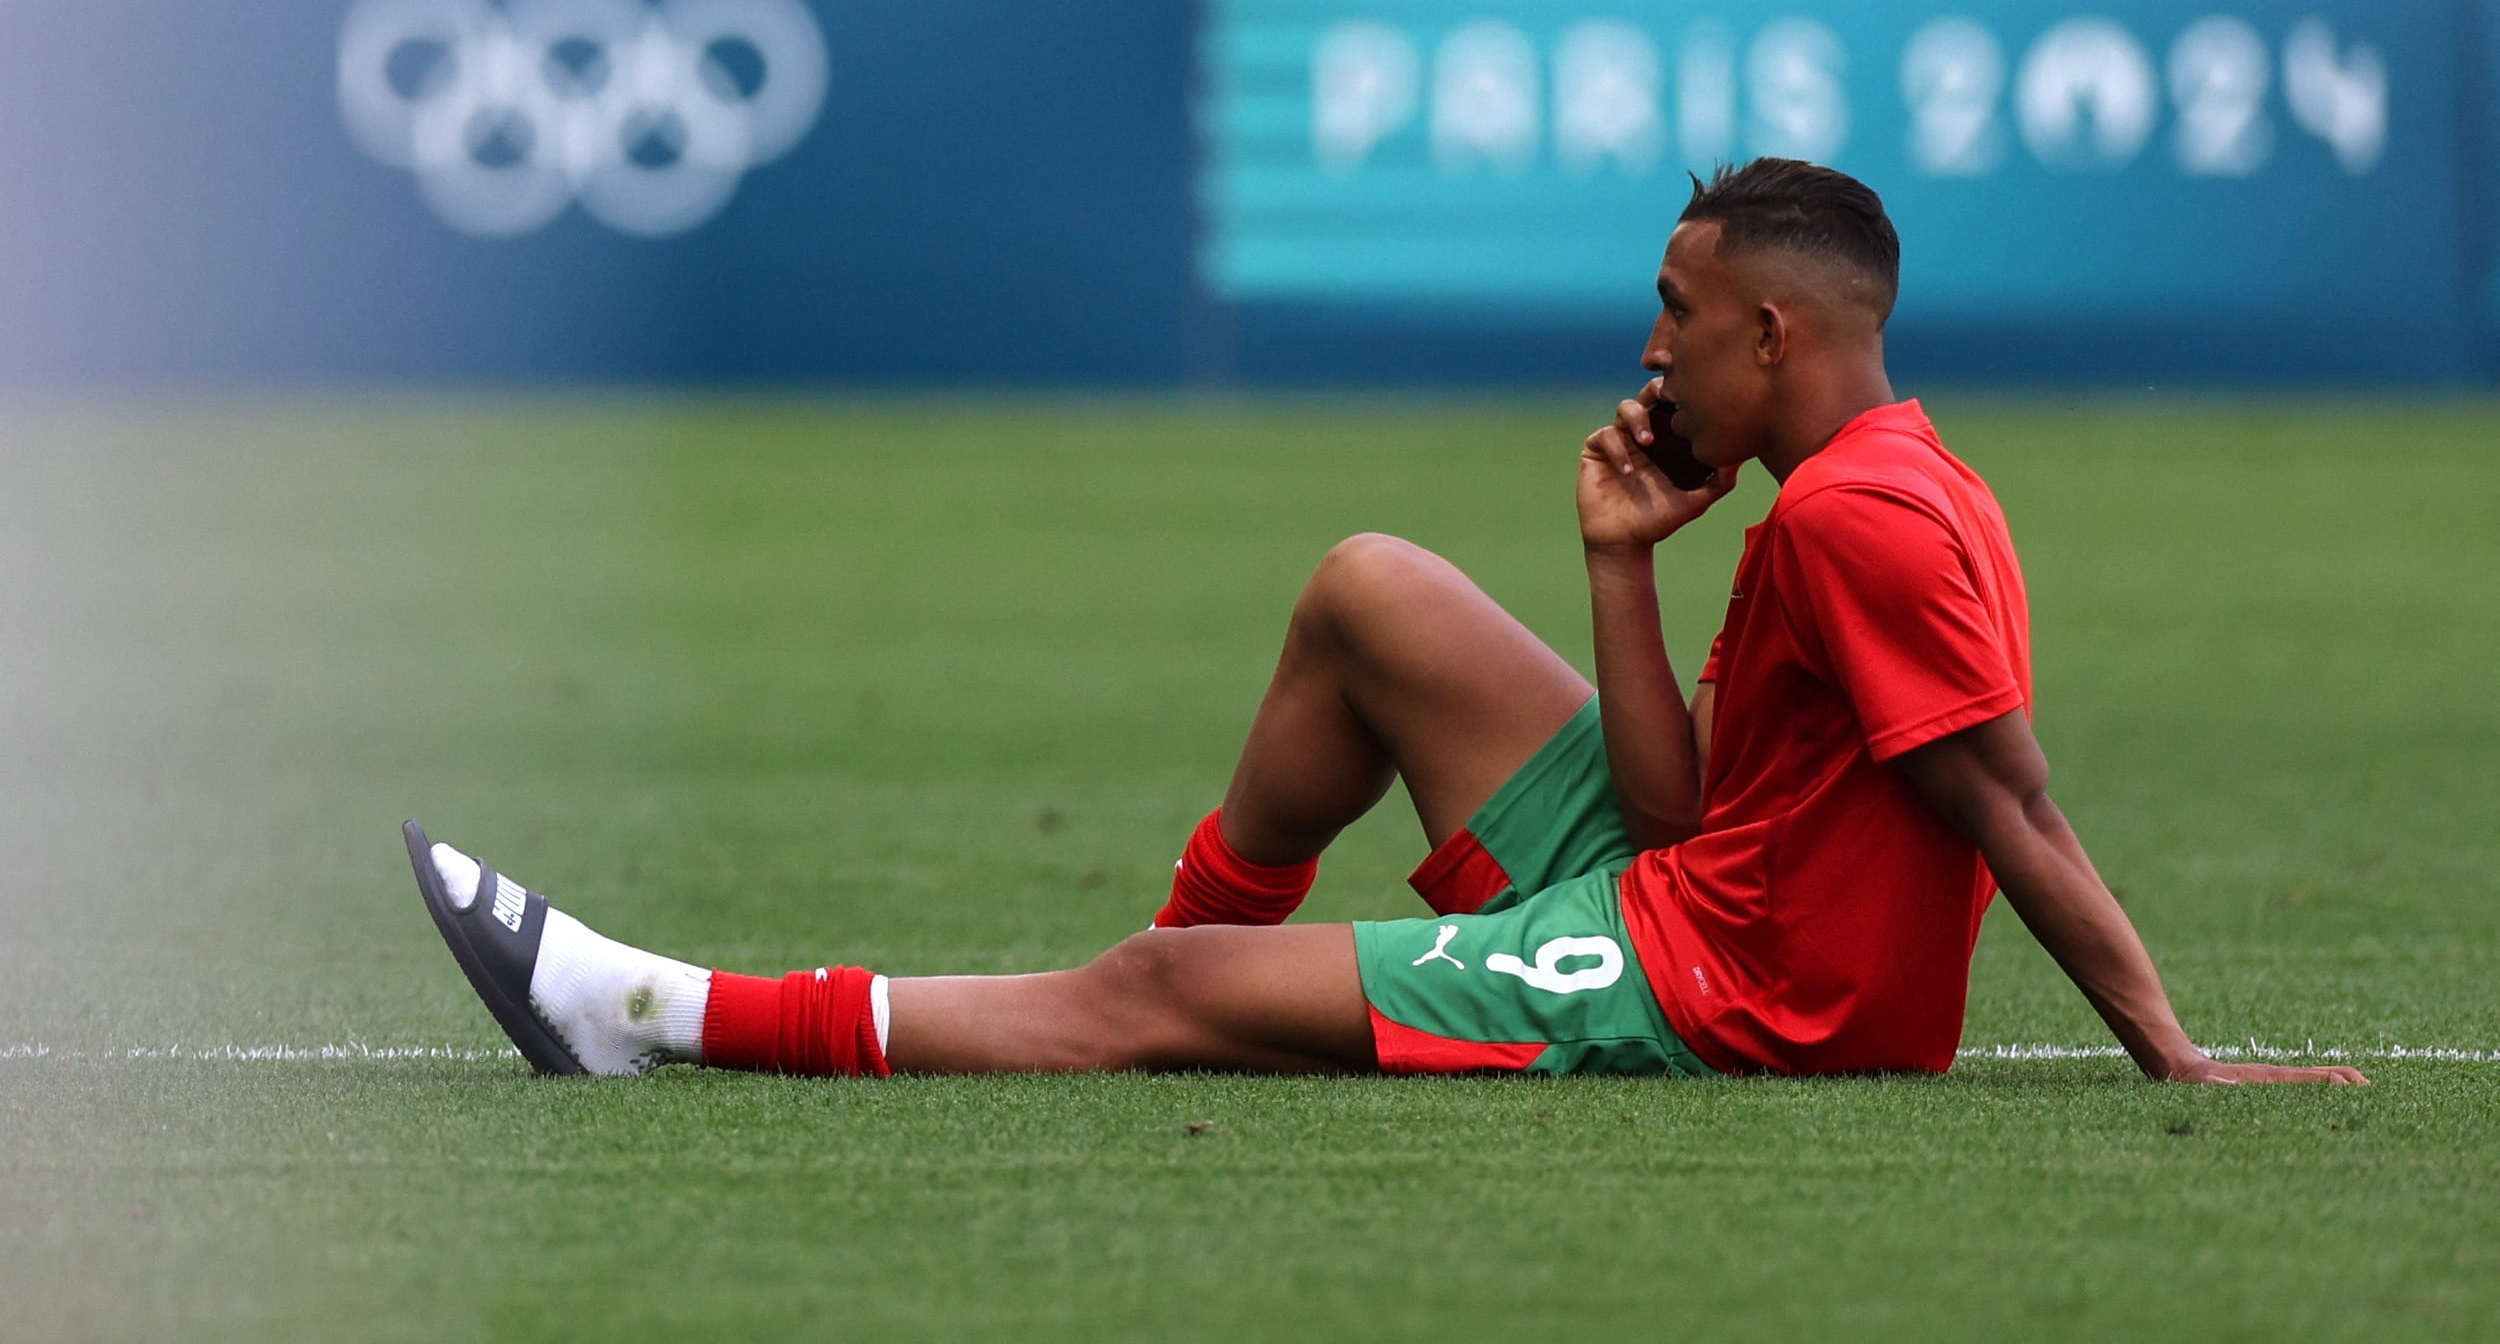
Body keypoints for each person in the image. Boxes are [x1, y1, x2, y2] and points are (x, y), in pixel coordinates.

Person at [405, 158, 2363, 1087]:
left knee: (1157, 1009)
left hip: (1733, 1006)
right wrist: (1615, 561)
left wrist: (2168, 1056)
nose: (1650, 339)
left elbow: (2005, 807)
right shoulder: (1871, 485)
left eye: (1675, 309)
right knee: (1370, 589)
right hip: (1712, 904)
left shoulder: (1850, 525)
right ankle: (1187, 967)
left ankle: (646, 1021)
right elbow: (1694, 826)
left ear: (1769, 332)